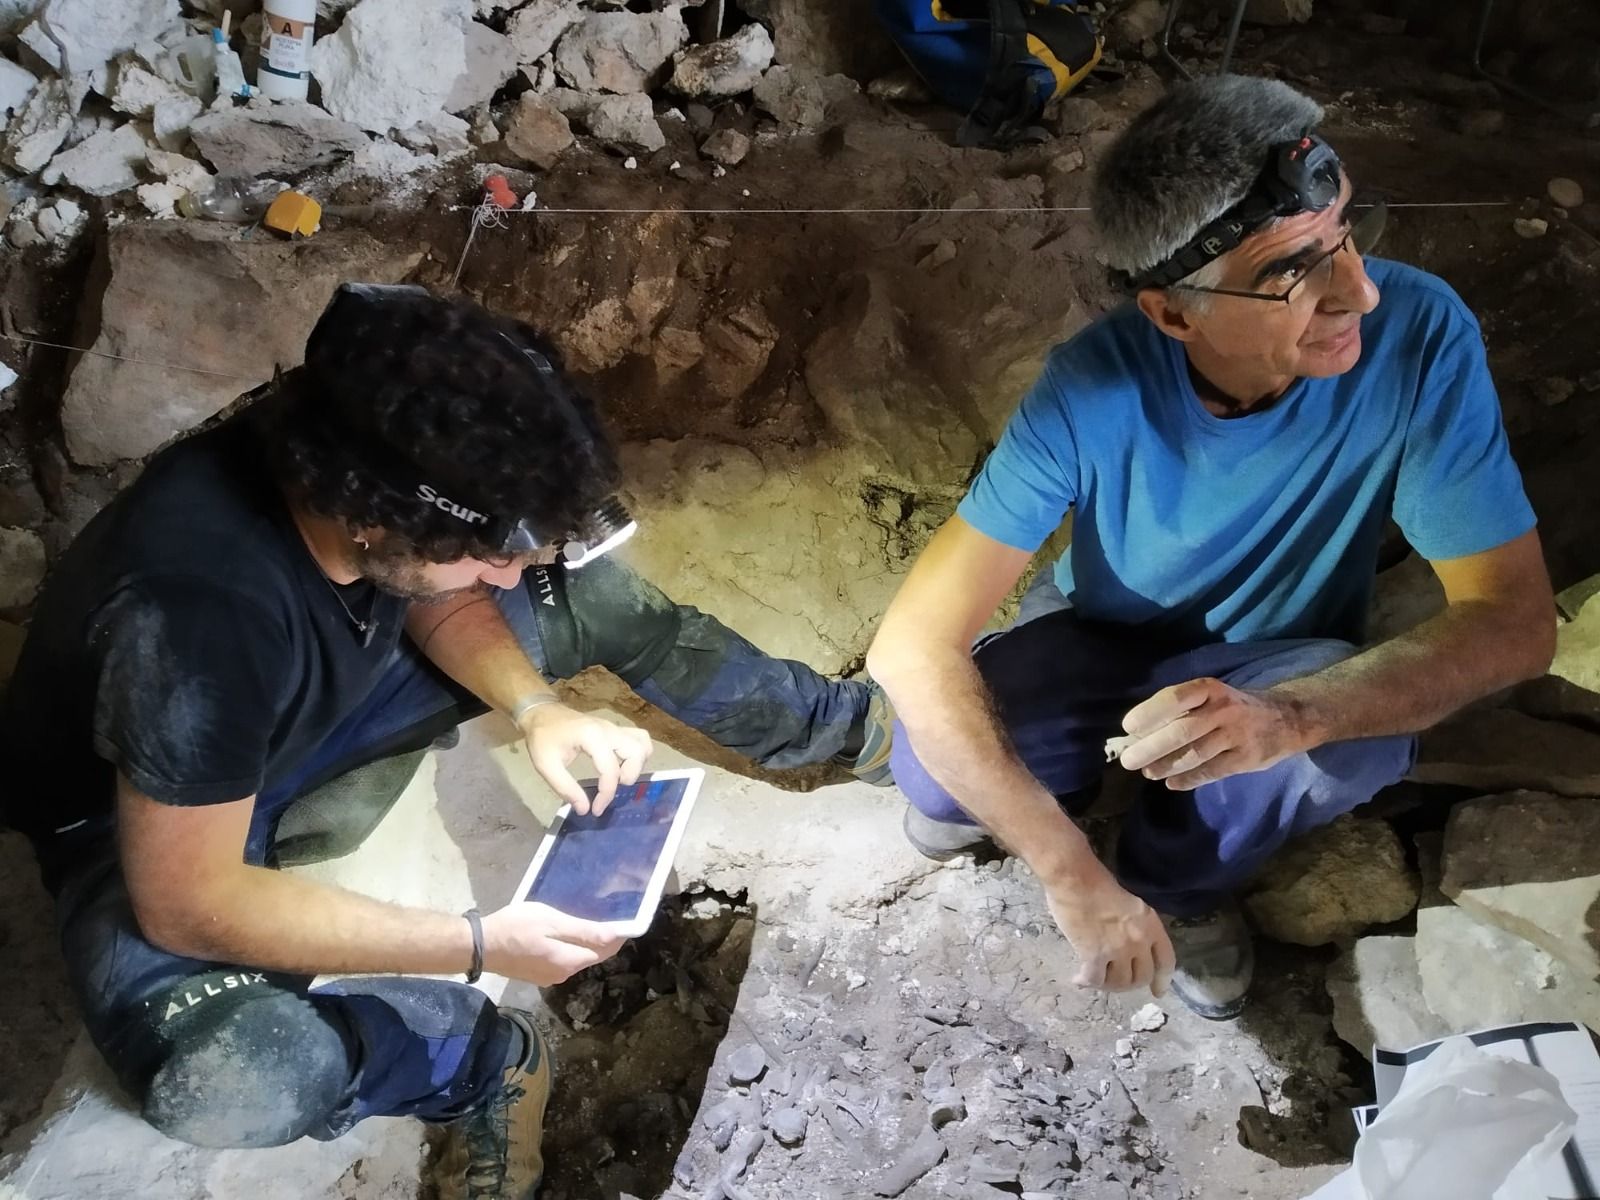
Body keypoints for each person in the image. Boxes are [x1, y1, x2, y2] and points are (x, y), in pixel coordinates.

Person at [0, 283, 889, 1197]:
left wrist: (539, 708)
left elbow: (439, 590)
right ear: (374, 517)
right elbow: (189, 903)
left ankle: (858, 729)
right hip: (139, 825)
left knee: (600, 598)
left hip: (293, 721)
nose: (512, 570)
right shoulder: (192, 621)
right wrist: (479, 943)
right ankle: (479, 1062)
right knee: (241, 1080)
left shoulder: (359, 458)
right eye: (494, 546)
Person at [866, 75, 1555, 1021]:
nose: (1357, 291)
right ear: (1174, 314)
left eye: (1346, 239)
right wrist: (1065, 870)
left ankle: (1177, 884)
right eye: (1291, 274)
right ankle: (1042, 806)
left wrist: (1293, 716)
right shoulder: (1092, 388)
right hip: (1100, 630)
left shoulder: (1420, 332)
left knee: (1341, 748)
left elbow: (1514, 621)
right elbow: (910, 646)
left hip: (1272, 658)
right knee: (934, 771)